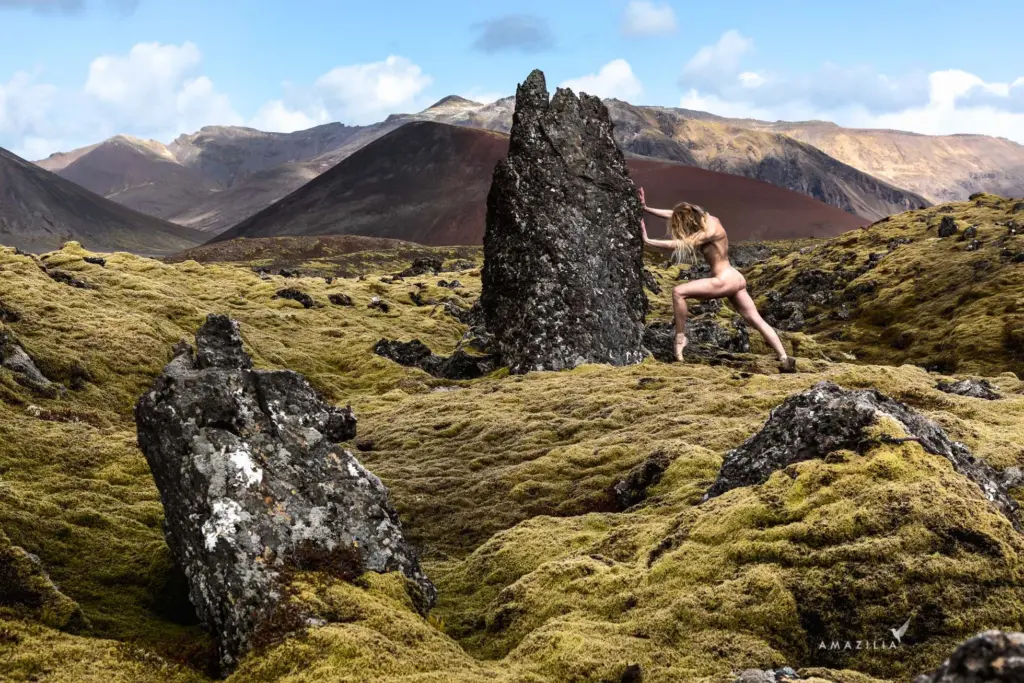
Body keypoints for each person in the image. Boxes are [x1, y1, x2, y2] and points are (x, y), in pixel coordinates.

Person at [638, 187, 796, 372]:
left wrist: (648, 241)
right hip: (735, 277)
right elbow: (674, 214)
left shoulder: (708, 232)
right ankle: (784, 358)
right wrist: (647, 208)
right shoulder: (708, 218)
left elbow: (682, 244)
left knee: (678, 292)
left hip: (724, 280)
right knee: (756, 320)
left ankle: (680, 338)